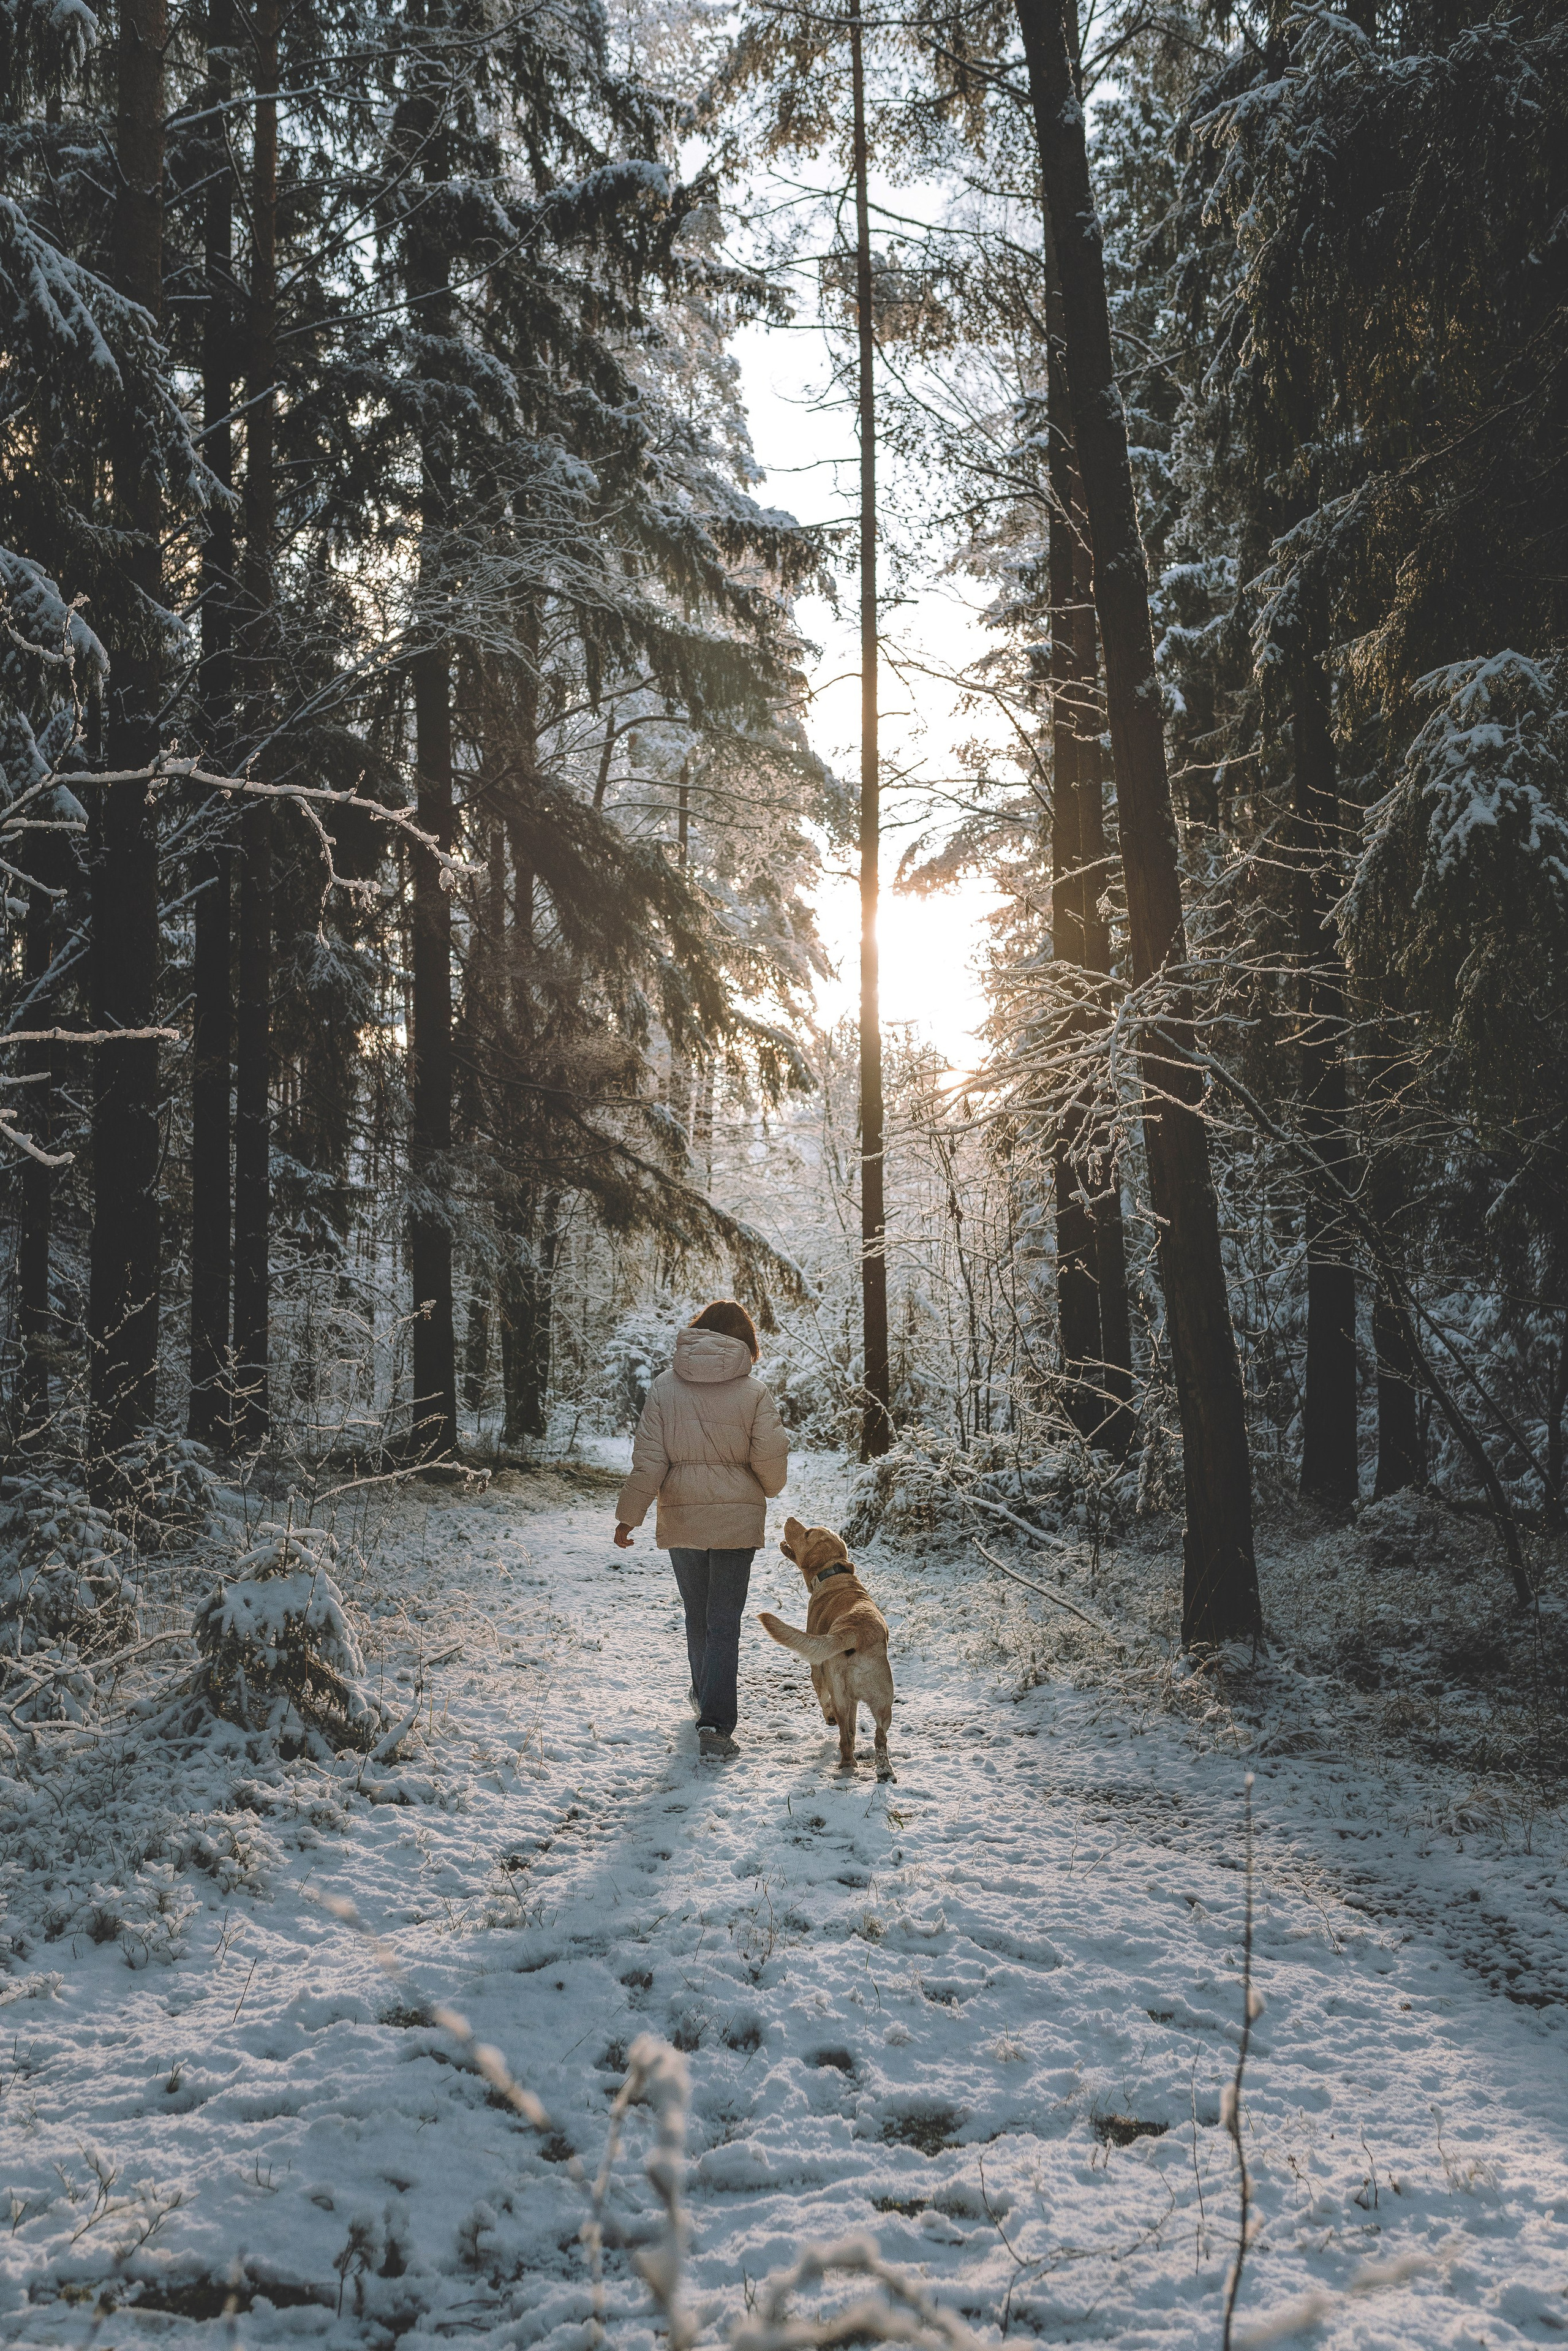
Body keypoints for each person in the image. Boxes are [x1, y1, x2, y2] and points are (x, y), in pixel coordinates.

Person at [613, 1300, 788, 1756]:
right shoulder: (755, 1393)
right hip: (736, 1520)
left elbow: (649, 1459)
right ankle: (715, 1724)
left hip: (684, 1517)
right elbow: (771, 1467)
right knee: (724, 1621)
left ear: (698, 1332)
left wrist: (628, 1515)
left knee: (698, 1617)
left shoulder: (664, 1388)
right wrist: (768, 1484)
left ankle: (704, 1697)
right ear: (745, 1342)